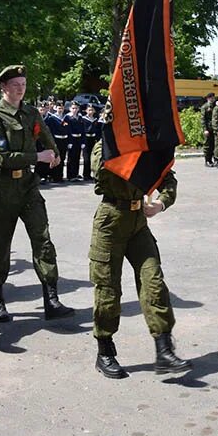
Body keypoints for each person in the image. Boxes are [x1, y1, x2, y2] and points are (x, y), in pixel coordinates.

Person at [88, 141, 192, 379]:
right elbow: (100, 171)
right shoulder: (104, 144)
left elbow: (167, 177)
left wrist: (161, 202)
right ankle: (104, 352)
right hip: (110, 220)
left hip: (138, 222)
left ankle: (164, 349)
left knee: (153, 281)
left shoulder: (147, 147)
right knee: (108, 289)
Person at [0, 65, 74, 322]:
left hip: (28, 186)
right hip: (2, 188)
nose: (20, 89)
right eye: (15, 85)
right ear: (4, 87)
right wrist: (38, 156)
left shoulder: (31, 112)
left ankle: (51, 298)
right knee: (0, 245)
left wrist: (54, 153)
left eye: (23, 84)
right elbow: (1, 157)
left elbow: (46, 137)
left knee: (43, 240)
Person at [43, 101, 66, 183]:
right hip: (56, 139)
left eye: (62, 108)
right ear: (55, 108)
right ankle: (54, 176)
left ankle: (60, 176)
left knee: (62, 158)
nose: (60, 110)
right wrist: (52, 142)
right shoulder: (52, 118)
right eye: (59, 108)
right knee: (55, 158)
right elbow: (50, 131)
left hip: (64, 140)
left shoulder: (65, 117)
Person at [64, 102, 85, 181]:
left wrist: (83, 141)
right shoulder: (68, 117)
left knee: (77, 157)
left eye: (76, 108)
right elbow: (67, 130)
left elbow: (83, 130)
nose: (74, 110)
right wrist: (69, 141)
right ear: (70, 109)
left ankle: (75, 174)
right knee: (71, 157)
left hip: (78, 139)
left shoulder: (80, 117)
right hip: (72, 139)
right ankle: (70, 175)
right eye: (73, 108)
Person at [82, 104, 102, 181]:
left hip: (93, 139)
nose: (90, 111)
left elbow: (97, 131)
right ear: (86, 111)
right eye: (89, 110)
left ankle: (91, 174)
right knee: (86, 158)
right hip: (86, 138)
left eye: (92, 110)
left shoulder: (95, 120)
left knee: (93, 157)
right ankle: (85, 174)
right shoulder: (83, 119)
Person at [200, 93, 215, 167]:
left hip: (214, 128)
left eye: (213, 98)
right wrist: (205, 129)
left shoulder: (215, 106)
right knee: (207, 145)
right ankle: (207, 160)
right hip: (208, 129)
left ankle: (212, 160)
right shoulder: (205, 107)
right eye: (211, 98)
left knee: (214, 145)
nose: (212, 99)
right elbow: (203, 119)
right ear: (208, 99)